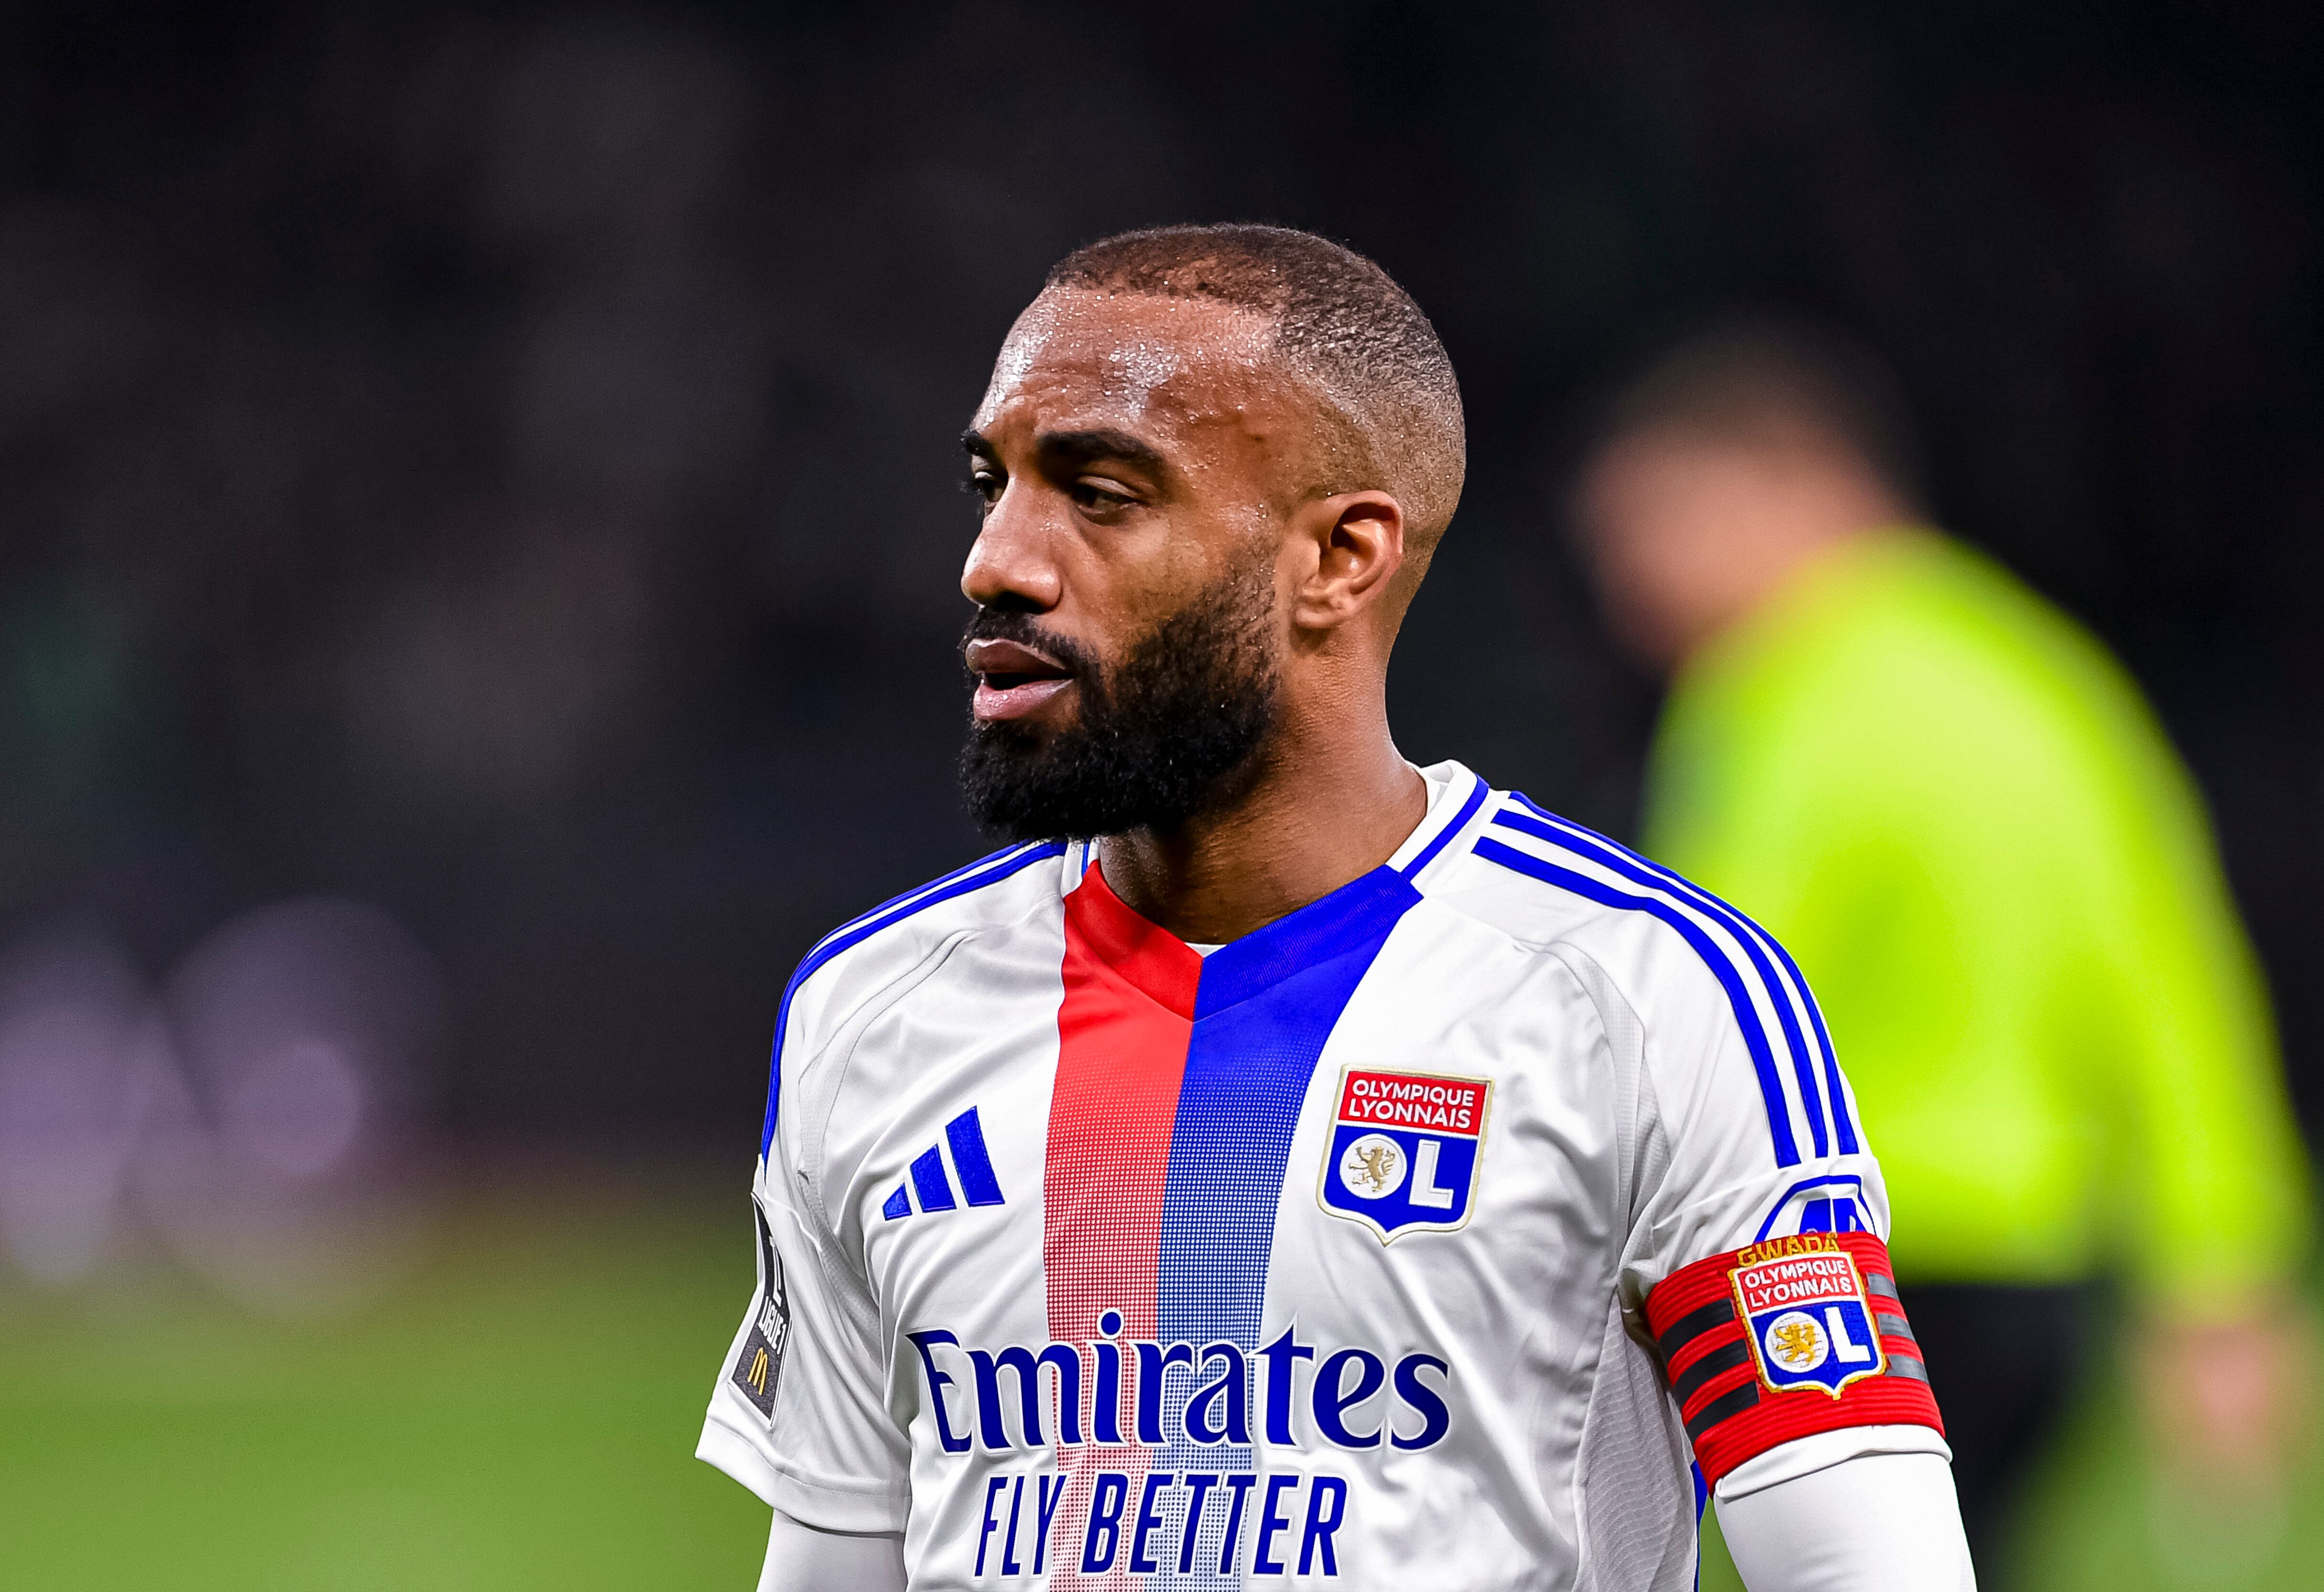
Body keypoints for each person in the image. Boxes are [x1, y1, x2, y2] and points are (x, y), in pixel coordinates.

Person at [698, 228, 1975, 1592]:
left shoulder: (1641, 995)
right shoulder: (876, 1006)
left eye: (1103, 493)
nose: (997, 560)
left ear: (1340, 561)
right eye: (989, 483)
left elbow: (1864, 1566)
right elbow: (832, 1565)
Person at [1568, 324, 2313, 1586]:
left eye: (1655, 535)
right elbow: (2169, 980)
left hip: (1832, 1263)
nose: (1633, 595)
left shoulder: (1783, 695)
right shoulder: (2042, 680)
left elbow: (1708, 989)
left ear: (1790, 483)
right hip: (2036, 1278)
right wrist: (2224, 1272)